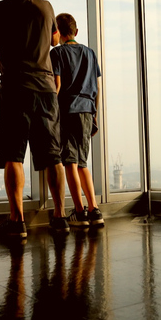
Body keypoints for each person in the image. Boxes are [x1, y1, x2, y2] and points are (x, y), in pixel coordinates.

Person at [0, 0, 68, 237]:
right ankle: (59, 216)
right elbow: (55, 40)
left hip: (14, 88)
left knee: (12, 155)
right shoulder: (45, 7)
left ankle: (17, 221)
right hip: (45, 89)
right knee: (53, 155)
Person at [50, 13, 104, 227]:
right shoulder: (90, 53)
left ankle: (79, 212)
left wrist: (51, 114)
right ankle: (94, 209)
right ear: (76, 31)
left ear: (57, 32)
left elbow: (57, 87)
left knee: (69, 161)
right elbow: (97, 87)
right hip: (87, 111)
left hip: (68, 110)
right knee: (82, 162)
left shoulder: (57, 54)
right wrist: (95, 116)